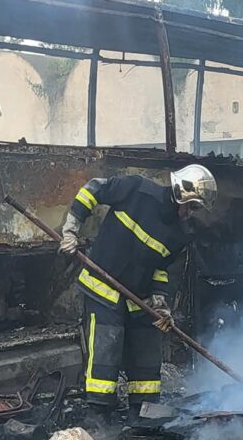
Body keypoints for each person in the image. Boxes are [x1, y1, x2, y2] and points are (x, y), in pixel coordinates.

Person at [59, 164, 217, 422]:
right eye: (191, 206)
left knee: (147, 355)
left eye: (195, 209)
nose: (190, 214)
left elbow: (161, 271)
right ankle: (98, 416)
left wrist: (160, 302)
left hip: (139, 299)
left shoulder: (178, 235)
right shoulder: (137, 190)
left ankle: (143, 414)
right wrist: (71, 229)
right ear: (180, 193)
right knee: (106, 350)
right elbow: (93, 189)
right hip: (103, 288)